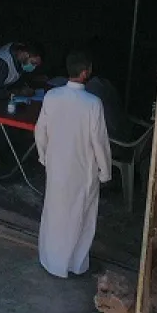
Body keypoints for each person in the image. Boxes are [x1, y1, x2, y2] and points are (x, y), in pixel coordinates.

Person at [34, 49, 112, 278]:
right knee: (80, 217)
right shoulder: (92, 103)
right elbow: (99, 142)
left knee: (54, 213)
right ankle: (75, 264)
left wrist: (43, 156)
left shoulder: (52, 96)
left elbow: (40, 131)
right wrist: (105, 172)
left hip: (56, 167)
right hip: (83, 171)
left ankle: (51, 260)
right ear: (85, 72)